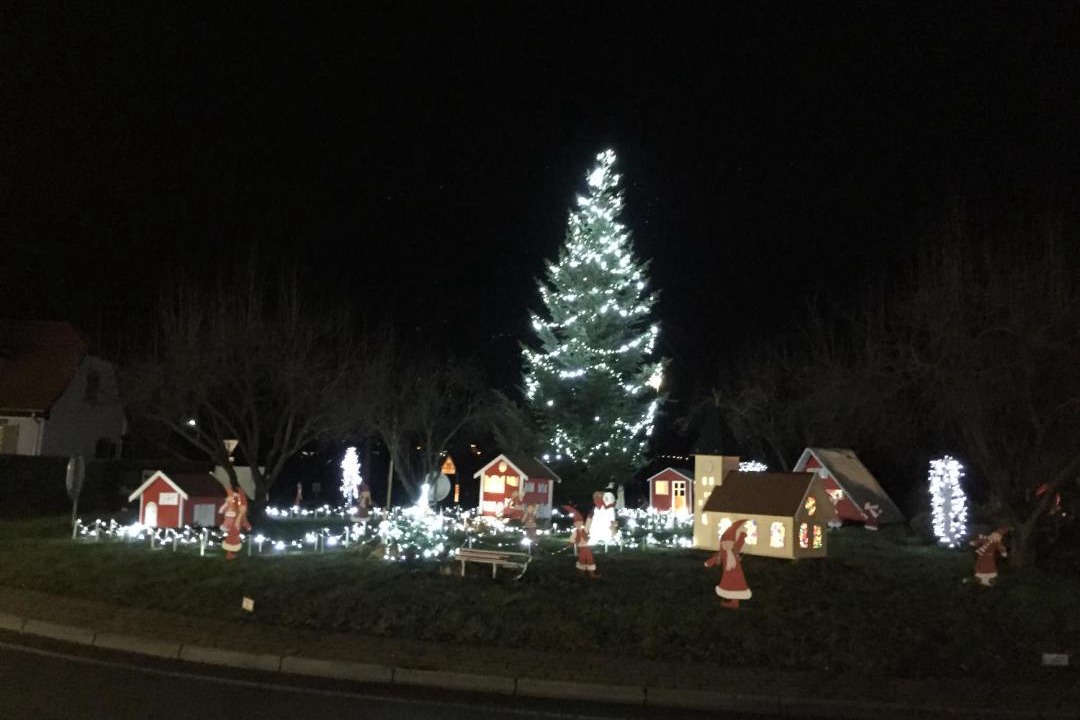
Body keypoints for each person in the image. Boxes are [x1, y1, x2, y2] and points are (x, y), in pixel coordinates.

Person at [704, 519, 752, 609]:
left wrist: (742, 535)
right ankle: (734, 602)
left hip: (736, 573)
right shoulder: (723, 553)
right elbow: (716, 557)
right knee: (730, 586)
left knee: (737, 586)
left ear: (732, 544)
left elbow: (740, 543)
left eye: (729, 543)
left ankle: (735, 602)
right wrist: (709, 563)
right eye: (724, 543)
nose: (726, 545)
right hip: (728, 573)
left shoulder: (735, 550)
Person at [564, 505, 597, 578]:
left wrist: (590, 516)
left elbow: (588, 523)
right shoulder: (575, 532)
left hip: (587, 547)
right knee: (582, 558)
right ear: (575, 524)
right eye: (577, 523)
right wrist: (570, 543)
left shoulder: (585, 530)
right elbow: (572, 538)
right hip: (581, 548)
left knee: (589, 558)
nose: (579, 524)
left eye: (580, 522)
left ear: (582, 523)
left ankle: (591, 573)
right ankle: (582, 573)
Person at [219, 488, 251, 561]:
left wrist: (247, 526)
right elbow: (244, 521)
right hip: (234, 528)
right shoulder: (239, 512)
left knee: (231, 540)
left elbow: (244, 521)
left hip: (234, 529)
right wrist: (247, 527)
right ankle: (230, 554)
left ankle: (230, 554)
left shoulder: (240, 513)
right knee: (232, 540)